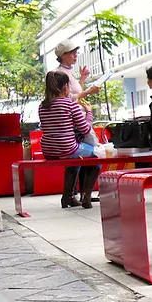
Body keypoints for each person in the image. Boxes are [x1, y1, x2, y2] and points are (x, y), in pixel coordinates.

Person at [38, 71, 101, 209]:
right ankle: (86, 196)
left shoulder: (42, 106)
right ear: (65, 86)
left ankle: (68, 197)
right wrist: (89, 112)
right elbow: (85, 129)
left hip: (48, 151)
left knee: (75, 157)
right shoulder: (70, 105)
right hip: (66, 148)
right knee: (97, 155)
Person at [54, 39, 102, 201]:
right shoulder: (59, 74)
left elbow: (74, 94)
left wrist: (82, 79)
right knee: (94, 152)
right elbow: (67, 97)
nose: (75, 56)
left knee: (78, 157)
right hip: (76, 121)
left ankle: (71, 195)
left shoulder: (69, 72)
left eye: (76, 53)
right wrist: (88, 92)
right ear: (63, 55)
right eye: (72, 53)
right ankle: (83, 195)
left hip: (77, 119)